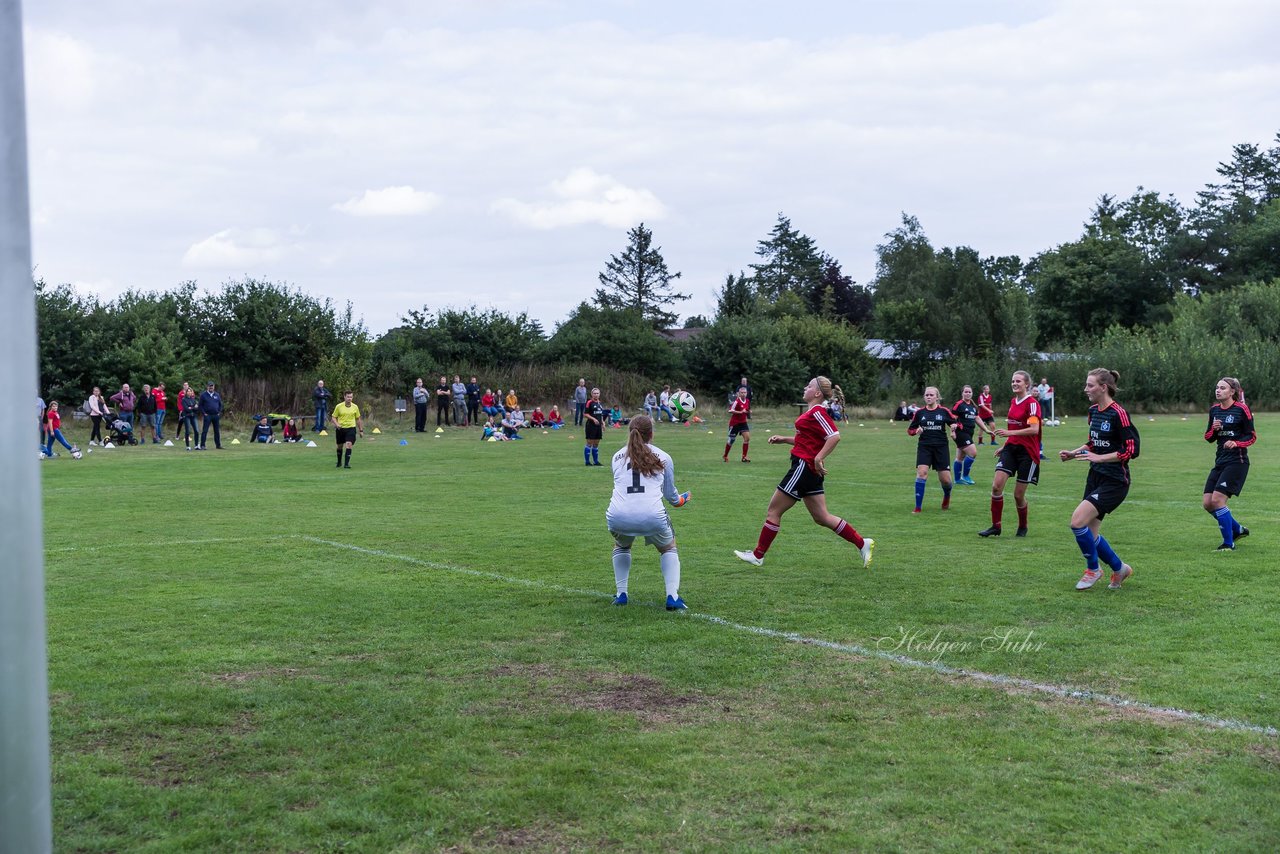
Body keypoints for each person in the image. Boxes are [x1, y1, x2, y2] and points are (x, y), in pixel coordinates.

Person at [734, 377, 874, 568]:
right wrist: (784, 439)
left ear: (817, 393)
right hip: (809, 470)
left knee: (773, 511)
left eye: (809, 386)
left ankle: (758, 555)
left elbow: (834, 436)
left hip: (803, 467)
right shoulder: (812, 412)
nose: (805, 387)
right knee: (822, 517)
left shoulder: (817, 412)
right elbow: (808, 440)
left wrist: (818, 458)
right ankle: (862, 543)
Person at [1058, 368, 1137, 590]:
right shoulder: (1094, 411)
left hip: (1115, 481)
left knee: (1077, 521)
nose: (1086, 389)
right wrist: (1075, 453)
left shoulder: (1119, 413)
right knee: (1090, 534)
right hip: (1095, 477)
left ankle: (1093, 569)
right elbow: (1094, 442)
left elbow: (1130, 450)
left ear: (1104, 387)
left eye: (1090, 385)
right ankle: (1120, 569)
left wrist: (1100, 458)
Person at [606, 414, 691, 610]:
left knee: (621, 546)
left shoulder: (616, 457)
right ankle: (672, 597)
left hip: (617, 514)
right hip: (652, 516)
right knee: (668, 548)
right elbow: (672, 498)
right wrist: (682, 499)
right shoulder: (664, 457)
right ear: (651, 434)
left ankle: (621, 594)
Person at [978, 371, 1042, 538]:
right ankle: (996, 526)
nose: (1014, 383)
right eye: (1013, 380)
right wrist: (1006, 445)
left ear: (1026, 384)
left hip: (1028, 453)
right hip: (1011, 449)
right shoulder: (1013, 401)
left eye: (1018, 381)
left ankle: (1023, 526)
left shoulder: (1032, 404)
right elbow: (1013, 429)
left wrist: (1009, 434)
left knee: (1018, 495)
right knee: (996, 486)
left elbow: (1034, 430)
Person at [1203, 377, 1255, 551]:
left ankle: (1228, 544)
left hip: (1237, 462)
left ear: (1232, 392)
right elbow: (1208, 438)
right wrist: (1214, 430)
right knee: (1207, 503)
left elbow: (1252, 436)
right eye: (1217, 387)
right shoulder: (1214, 410)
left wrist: (1236, 443)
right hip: (1220, 461)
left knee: (1218, 500)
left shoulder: (1242, 409)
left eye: (1223, 388)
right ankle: (1238, 529)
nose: (1218, 390)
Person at [907, 387, 957, 513]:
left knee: (945, 480)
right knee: (922, 473)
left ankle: (947, 495)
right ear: (924, 397)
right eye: (926, 395)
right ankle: (918, 507)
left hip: (941, 447)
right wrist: (916, 431)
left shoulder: (944, 411)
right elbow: (910, 430)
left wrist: (954, 426)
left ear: (937, 397)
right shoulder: (919, 413)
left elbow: (956, 423)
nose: (928, 397)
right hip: (925, 446)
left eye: (931, 395)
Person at [950, 385, 995, 485]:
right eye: (966, 392)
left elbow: (977, 419)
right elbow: (952, 420)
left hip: (969, 433)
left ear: (972, 393)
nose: (968, 394)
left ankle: (957, 480)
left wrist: (986, 430)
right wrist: (952, 431)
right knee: (973, 453)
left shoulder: (973, 406)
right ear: (962, 393)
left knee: (960, 457)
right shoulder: (958, 404)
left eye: (969, 392)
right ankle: (965, 476)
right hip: (960, 433)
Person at [331, 390, 364, 468]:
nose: (349, 398)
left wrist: (361, 430)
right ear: (344, 397)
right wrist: (337, 424)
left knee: (349, 445)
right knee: (339, 446)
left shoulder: (355, 407)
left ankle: (346, 464)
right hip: (340, 429)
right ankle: (339, 462)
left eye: (351, 397)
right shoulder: (339, 406)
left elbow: (358, 419)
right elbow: (333, 417)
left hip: (351, 428)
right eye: (348, 397)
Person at [724, 385, 752, 463]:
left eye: (745, 392)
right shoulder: (736, 401)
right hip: (735, 423)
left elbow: (746, 409)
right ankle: (725, 455)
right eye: (741, 392)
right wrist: (740, 412)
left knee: (747, 438)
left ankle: (744, 457)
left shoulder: (747, 401)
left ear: (747, 393)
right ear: (739, 394)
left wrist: (748, 412)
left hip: (743, 423)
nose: (743, 394)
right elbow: (730, 411)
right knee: (731, 441)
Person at [583, 387, 606, 466]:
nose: (596, 395)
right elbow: (585, 414)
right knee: (589, 443)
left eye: (597, 393)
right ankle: (587, 462)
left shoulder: (599, 403)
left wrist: (603, 423)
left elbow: (600, 414)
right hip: (591, 426)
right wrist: (593, 419)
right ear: (592, 394)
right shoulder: (589, 402)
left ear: (599, 394)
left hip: (598, 427)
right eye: (594, 393)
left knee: (596, 443)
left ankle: (596, 461)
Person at [198, 381, 223, 450]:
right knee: (205, 430)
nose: (211, 387)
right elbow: (200, 405)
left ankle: (218, 445)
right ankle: (203, 445)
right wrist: (204, 413)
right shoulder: (203, 395)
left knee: (217, 431)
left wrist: (219, 412)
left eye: (212, 386)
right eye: (210, 386)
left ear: (214, 387)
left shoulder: (217, 395)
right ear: (207, 387)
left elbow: (220, 404)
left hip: (216, 415)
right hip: (208, 415)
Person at [178, 384, 200, 450]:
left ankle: (196, 445)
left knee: (196, 431)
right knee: (187, 431)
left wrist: (191, 408)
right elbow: (186, 409)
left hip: (193, 416)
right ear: (186, 392)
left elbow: (197, 408)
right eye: (188, 391)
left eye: (190, 391)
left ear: (192, 392)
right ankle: (187, 446)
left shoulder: (193, 399)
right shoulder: (184, 399)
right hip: (187, 416)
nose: (189, 392)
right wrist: (193, 407)